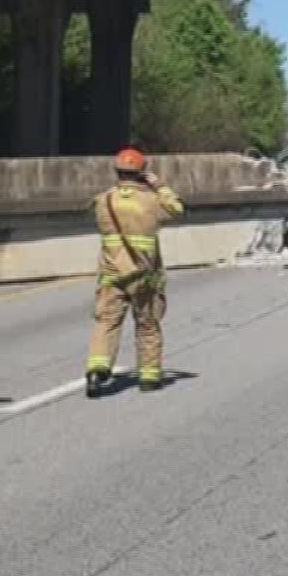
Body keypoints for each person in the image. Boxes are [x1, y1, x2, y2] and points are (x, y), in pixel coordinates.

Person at [85, 148, 186, 397]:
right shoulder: (152, 200)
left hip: (112, 274)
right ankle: (149, 377)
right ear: (142, 173)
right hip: (144, 275)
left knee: (107, 322)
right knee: (148, 324)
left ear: (117, 172)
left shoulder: (103, 200)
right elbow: (177, 209)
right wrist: (158, 185)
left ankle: (98, 369)